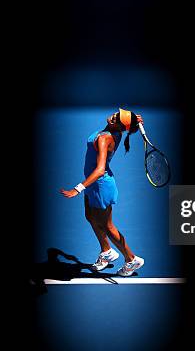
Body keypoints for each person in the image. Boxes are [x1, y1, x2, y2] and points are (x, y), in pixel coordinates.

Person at [60, 108, 145, 276]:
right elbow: (125, 125)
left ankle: (131, 259)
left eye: (118, 119)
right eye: (117, 114)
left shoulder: (104, 138)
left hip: (99, 185)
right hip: (94, 184)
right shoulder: (115, 132)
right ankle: (107, 251)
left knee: (107, 225)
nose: (114, 116)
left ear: (119, 126)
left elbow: (99, 170)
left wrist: (77, 189)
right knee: (90, 216)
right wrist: (133, 121)